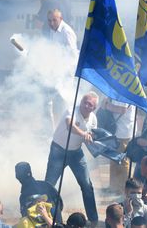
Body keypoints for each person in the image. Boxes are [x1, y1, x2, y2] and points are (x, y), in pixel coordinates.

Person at [44, 92, 99, 225]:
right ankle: (50, 218)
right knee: (49, 186)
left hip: (76, 153)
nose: (86, 105)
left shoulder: (93, 118)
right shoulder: (72, 110)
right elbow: (70, 125)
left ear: (94, 108)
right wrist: (84, 133)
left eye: (89, 104)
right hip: (59, 150)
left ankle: (93, 219)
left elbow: (92, 135)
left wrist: (92, 139)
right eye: (84, 102)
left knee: (87, 185)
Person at [101, 97, 135, 193]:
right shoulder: (116, 93)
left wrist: (107, 105)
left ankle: (124, 187)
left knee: (123, 161)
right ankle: (113, 186)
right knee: (113, 159)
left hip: (123, 132)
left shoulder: (125, 94)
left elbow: (122, 110)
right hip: (115, 132)